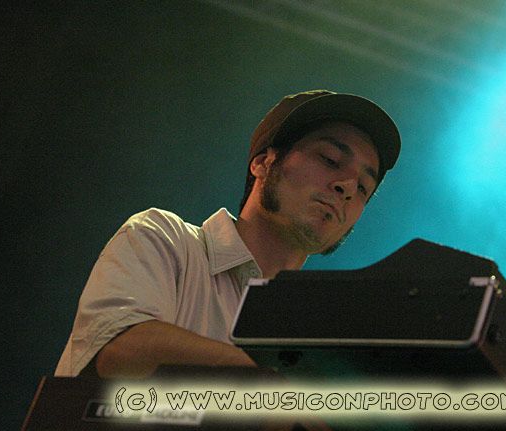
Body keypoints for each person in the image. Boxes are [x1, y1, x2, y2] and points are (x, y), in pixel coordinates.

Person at [55, 89, 401, 378]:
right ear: (263, 163)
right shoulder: (164, 237)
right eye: (329, 159)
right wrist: (271, 379)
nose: (347, 187)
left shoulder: (311, 333)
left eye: (363, 187)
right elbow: (118, 350)